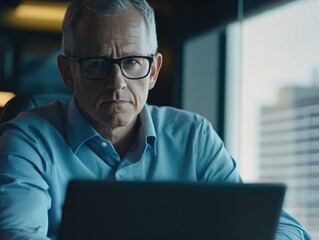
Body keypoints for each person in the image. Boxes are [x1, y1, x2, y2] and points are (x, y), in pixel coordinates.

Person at [0, 0, 312, 239]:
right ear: (68, 72)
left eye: (132, 62)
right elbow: (18, 234)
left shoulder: (193, 137)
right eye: (97, 63)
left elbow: (287, 230)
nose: (117, 83)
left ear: (153, 70)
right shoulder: (28, 139)